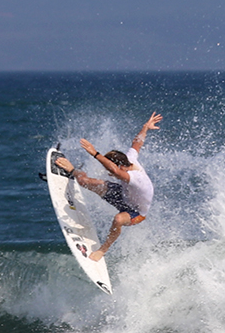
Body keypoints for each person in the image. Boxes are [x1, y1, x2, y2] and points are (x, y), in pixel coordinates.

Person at [56, 112, 162, 261]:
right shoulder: (129, 159)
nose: (109, 173)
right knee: (85, 181)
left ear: (119, 166)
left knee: (118, 220)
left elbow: (114, 170)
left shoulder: (136, 178)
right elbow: (137, 143)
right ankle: (73, 170)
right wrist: (145, 128)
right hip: (123, 195)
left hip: (136, 213)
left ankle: (102, 250)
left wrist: (95, 153)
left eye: (111, 170)